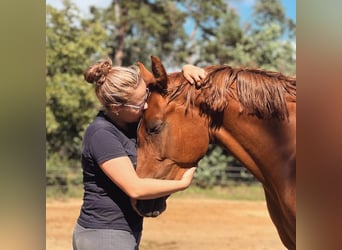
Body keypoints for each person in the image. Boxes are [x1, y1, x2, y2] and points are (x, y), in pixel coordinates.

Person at [72, 57, 207, 250]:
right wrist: (181, 184)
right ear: (116, 108)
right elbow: (135, 188)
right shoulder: (102, 134)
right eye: (138, 104)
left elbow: (164, 90)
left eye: (145, 97)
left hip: (121, 233)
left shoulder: (133, 123)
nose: (145, 106)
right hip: (104, 235)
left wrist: (186, 70)